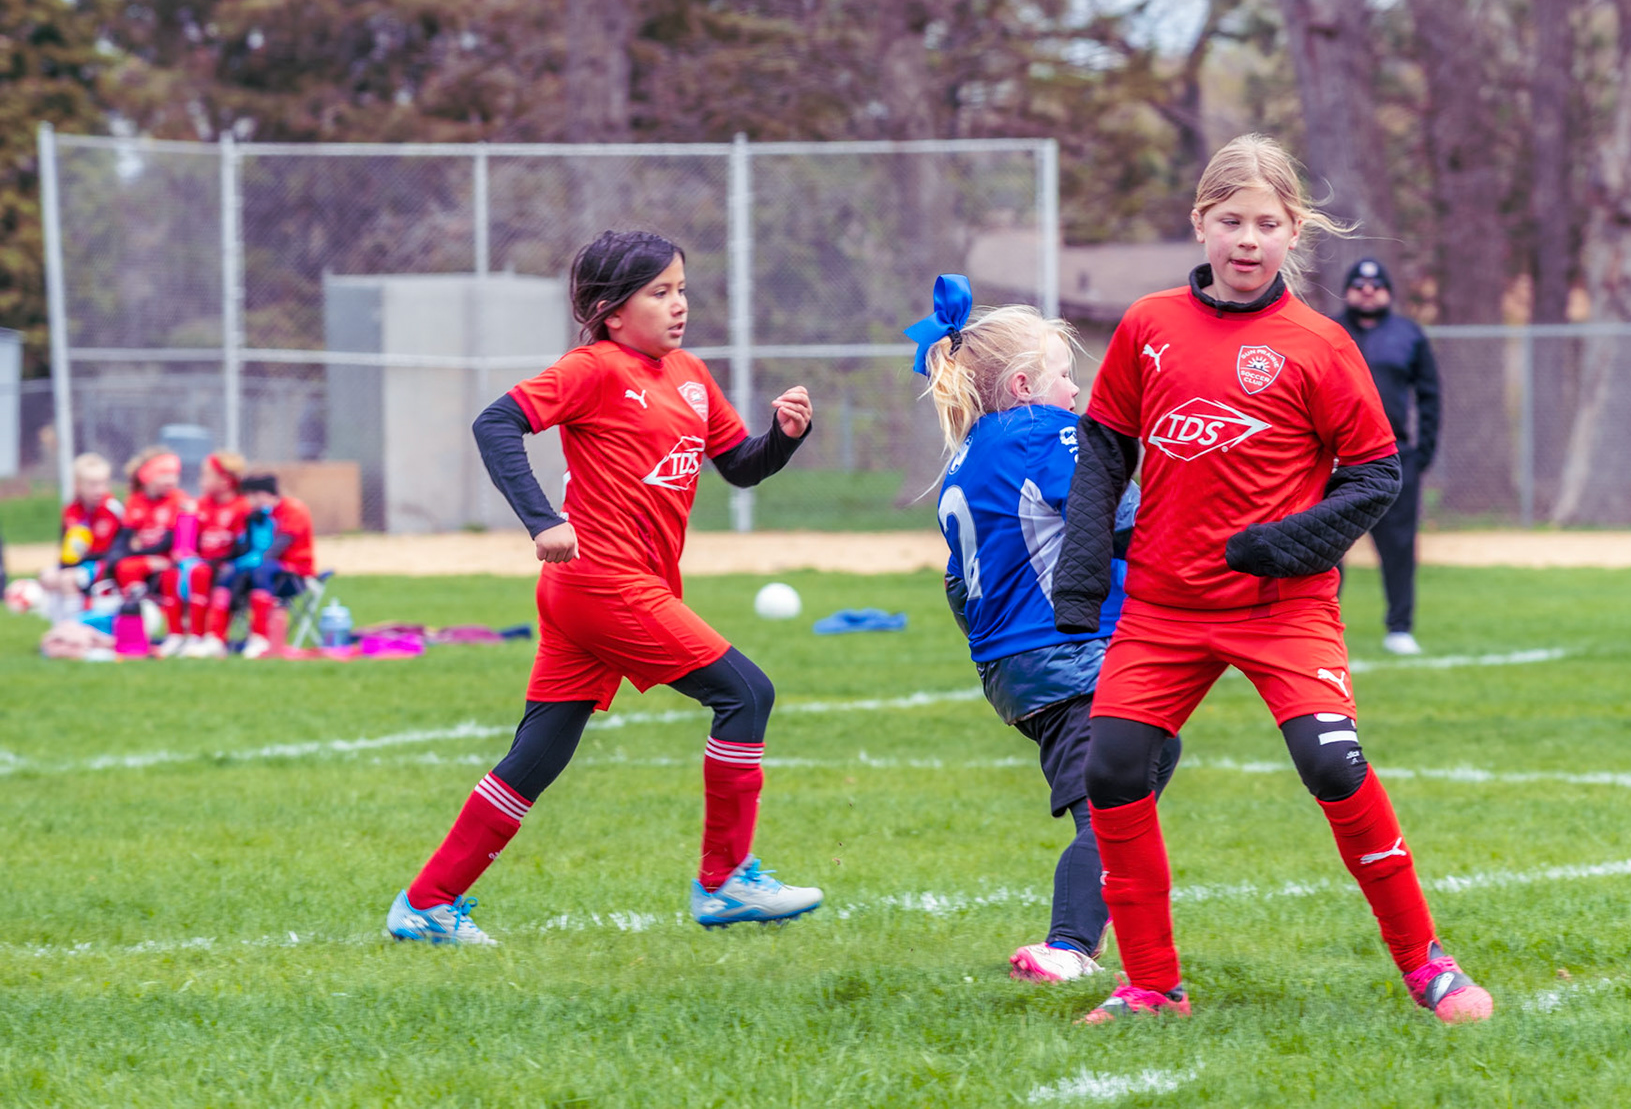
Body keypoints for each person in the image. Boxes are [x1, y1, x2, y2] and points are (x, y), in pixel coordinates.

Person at [1051, 133, 1493, 1026]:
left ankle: (1428, 966)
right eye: (1229, 221)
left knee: (1331, 763)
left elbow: (1376, 476)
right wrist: (1084, 569)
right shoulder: (1147, 326)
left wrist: (1282, 547)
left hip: (1281, 607)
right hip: (1164, 608)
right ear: (1200, 224)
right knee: (1114, 768)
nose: (1246, 239)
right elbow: (1103, 451)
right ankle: (1150, 985)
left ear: (1295, 232)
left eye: (1266, 223)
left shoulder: (1322, 345)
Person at [385, 229, 823, 945]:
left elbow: (739, 465)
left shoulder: (687, 373)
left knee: (540, 753)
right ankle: (725, 880)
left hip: (605, 590)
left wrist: (784, 436)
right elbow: (496, 423)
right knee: (747, 693)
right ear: (611, 310)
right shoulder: (593, 367)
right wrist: (542, 519)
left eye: (681, 288)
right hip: (601, 582)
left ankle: (426, 904)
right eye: (660, 292)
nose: (678, 305)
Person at [910, 278, 1181, 986]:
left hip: (1018, 667)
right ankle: (1068, 947)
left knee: (1151, 760)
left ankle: (1087, 935)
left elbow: (955, 585)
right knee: (1111, 809)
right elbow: (1116, 518)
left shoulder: (969, 458)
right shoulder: (1042, 431)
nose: (1077, 392)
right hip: (1070, 656)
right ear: (1026, 384)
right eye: (1067, 376)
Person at [1338, 259, 1440, 656]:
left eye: (1375, 285)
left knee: (1398, 546)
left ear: (1388, 291)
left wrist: (1421, 454)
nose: (1367, 291)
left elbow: (1430, 397)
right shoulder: (1328, 332)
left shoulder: (1408, 335)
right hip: (1337, 458)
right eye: (1359, 285)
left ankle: (1400, 627)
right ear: (1348, 290)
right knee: (1325, 548)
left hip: (1393, 457)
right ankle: (1322, 626)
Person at [104, 448, 197, 655]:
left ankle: (174, 632)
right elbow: (126, 538)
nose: (171, 479)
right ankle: (138, 620)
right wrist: (117, 556)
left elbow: (171, 541)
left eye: (174, 474)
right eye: (164, 474)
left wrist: (140, 553)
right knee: (122, 567)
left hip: (171, 560)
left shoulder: (178, 499)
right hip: (145, 560)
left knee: (164, 574)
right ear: (147, 477)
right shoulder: (135, 501)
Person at [220, 474, 317, 658]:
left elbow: (279, 546)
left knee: (260, 569)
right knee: (230, 574)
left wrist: (253, 562)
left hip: (293, 574)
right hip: (267, 572)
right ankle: (216, 639)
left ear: (264, 494)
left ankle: (261, 638)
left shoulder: (293, 509)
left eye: (251, 496)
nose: (249, 501)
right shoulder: (259, 514)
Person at [40, 453, 125, 622]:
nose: (99, 490)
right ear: (78, 485)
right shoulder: (71, 511)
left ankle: (74, 630)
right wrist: (65, 564)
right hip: (77, 564)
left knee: (67, 580)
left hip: (102, 564)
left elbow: (122, 547)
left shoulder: (113, 509)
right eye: (93, 484)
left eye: (103, 483)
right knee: (47, 578)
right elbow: (65, 546)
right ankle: (59, 627)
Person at [183, 451, 250, 658]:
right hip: (203, 564)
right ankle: (193, 636)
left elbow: (243, 547)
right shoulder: (200, 505)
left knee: (213, 574)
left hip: (230, 566)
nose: (201, 481)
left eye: (206, 475)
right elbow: (187, 545)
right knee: (192, 572)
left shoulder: (241, 507)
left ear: (225, 481)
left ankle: (215, 637)